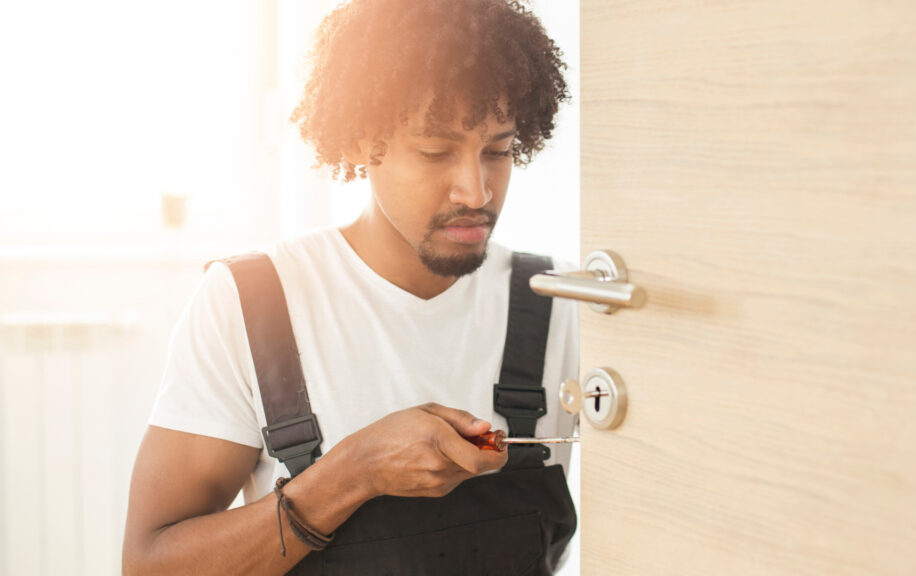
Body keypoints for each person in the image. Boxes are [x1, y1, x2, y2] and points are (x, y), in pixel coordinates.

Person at [122, 0, 577, 574]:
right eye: (436, 152)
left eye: (498, 151)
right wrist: (351, 473)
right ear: (364, 142)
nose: (476, 191)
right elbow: (150, 565)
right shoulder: (251, 303)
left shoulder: (559, 305)